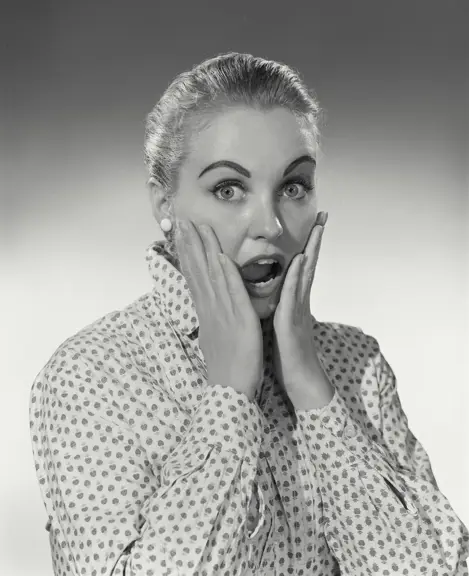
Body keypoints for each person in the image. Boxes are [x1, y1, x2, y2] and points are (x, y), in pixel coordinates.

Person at [29, 52, 469, 576]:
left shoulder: (357, 365)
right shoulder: (92, 377)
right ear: (164, 204)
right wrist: (230, 401)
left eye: (293, 187)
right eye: (228, 189)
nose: (271, 225)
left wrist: (311, 387)